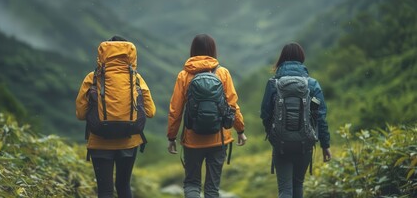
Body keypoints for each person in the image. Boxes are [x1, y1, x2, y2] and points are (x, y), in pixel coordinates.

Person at [167, 34, 247, 198]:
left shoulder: (184, 75)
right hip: (219, 138)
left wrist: (171, 137)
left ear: (193, 50)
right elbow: (232, 105)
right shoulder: (222, 73)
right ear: (212, 50)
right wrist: (240, 130)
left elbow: (176, 110)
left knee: (192, 184)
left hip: (192, 139)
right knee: (212, 189)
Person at [75, 35, 156, 198]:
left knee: (105, 190)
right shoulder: (136, 79)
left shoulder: (92, 78)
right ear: (130, 55)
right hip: (129, 141)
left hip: (99, 141)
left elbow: (81, 114)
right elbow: (151, 112)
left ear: (103, 54)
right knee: (123, 185)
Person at [260, 42, 331, 198]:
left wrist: (273, 135)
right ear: (301, 58)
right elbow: (319, 116)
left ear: (282, 59)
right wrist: (325, 145)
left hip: (281, 144)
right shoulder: (312, 85)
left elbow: (265, 114)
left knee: (285, 189)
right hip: (304, 144)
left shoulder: (273, 84)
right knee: (298, 185)